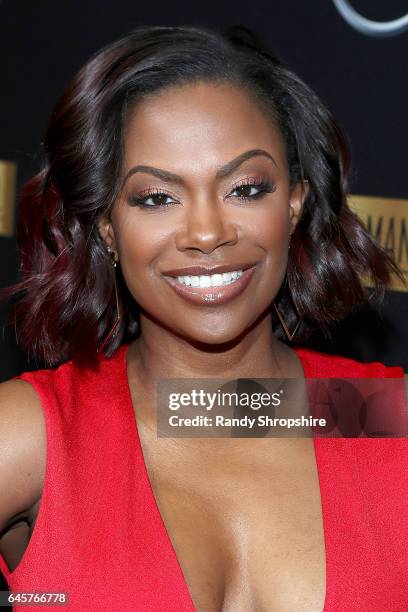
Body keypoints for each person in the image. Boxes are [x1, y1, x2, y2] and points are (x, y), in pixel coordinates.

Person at [0, 24, 407, 612]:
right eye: (156, 197)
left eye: (245, 187)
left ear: (294, 201)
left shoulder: (377, 417)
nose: (208, 233)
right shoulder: (34, 438)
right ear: (108, 227)